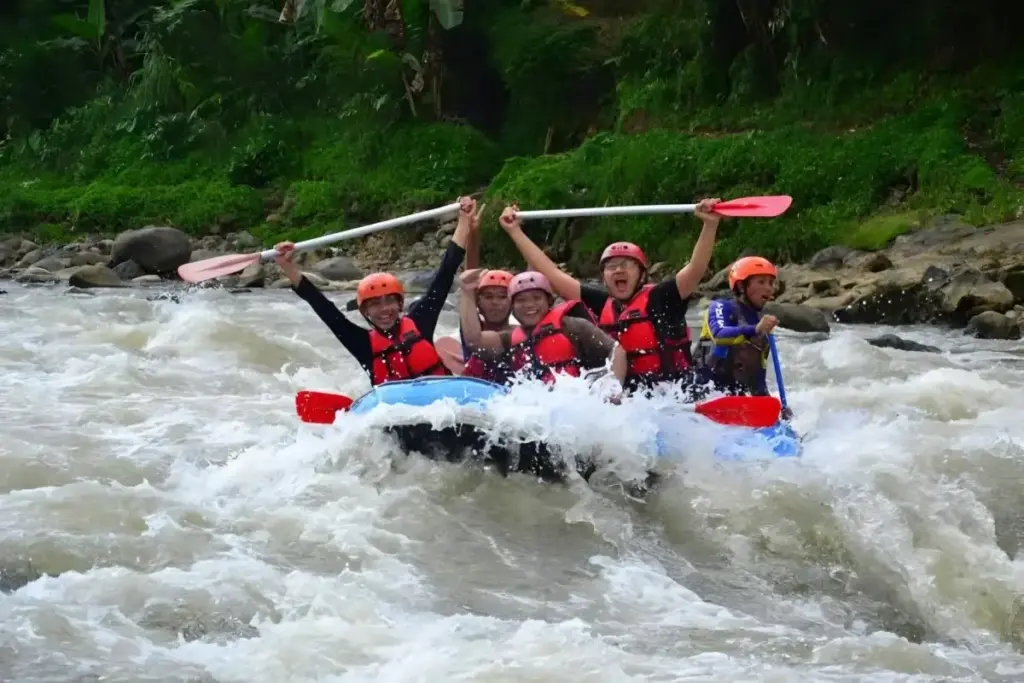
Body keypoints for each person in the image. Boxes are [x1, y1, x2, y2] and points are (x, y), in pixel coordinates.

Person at [497, 198, 724, 397]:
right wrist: (514, 231)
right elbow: (552, 275)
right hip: (629, 401)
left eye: (627, 265)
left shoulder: (662, 298)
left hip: (674, 395)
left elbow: (695, 269)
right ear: (604, 277)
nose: (619, 270)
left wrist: (709, 225)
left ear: (642, 274)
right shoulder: (601, 303)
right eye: (612, 266)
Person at [274, 196, 478, 386]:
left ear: (400, 304)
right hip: (396, 416)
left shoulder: (420, 321)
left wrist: (463, 222)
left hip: (441, 407)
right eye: (374, 304)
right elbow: (323, 308)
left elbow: (445, 275)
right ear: (364, 312)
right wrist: (288, 267)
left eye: (389, 301)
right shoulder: (361, 344)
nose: (384, 309)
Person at [459, 269, 626, 386]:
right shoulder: (509, 338)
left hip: (576, 408)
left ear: (549, 302)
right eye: (521, 300)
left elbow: (617, 350)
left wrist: (613, 386)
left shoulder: (573, 327)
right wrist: (467, 292)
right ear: (512, 306)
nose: (529, 305)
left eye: (536, 298)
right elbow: (474, 341)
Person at [694, 255, 791, 417]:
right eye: (761, 282)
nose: (769, 288)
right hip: (701, 393)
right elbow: (719, 335)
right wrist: (754, 330)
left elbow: (758, 378)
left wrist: (776, 413)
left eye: (771, 283)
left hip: (734, 400)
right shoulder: (720, 307)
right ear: (741, 285)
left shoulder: (761, 328)